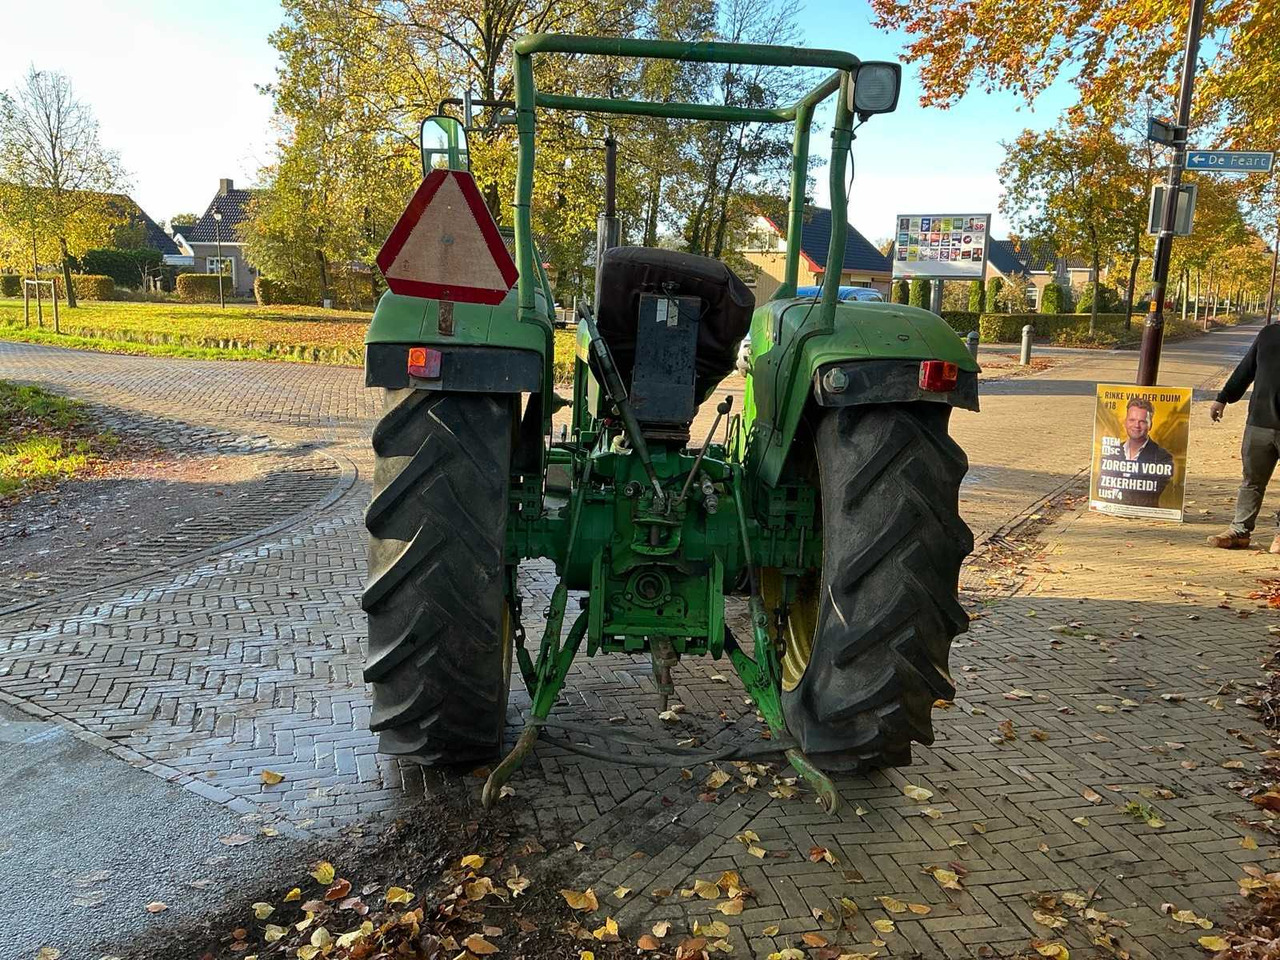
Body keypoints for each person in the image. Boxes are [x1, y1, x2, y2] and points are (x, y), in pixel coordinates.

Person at [1207, 323, 1280, 550]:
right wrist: (1223, 397)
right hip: (1259, 422)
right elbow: (1246, 368)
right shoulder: (1269, 333)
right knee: (1251, 481)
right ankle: (1240, 531)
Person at [1096, 397, 1174, 508]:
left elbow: (1147, 495)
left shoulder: (1163, 457)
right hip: (1113, 513)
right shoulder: (1112, 452)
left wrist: (1118, 491)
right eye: (1132, 420)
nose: (1136, 425)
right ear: (1125, 422)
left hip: (1144, 517)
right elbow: (1101, 487)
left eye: (1142, 421)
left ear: (1150, 425)